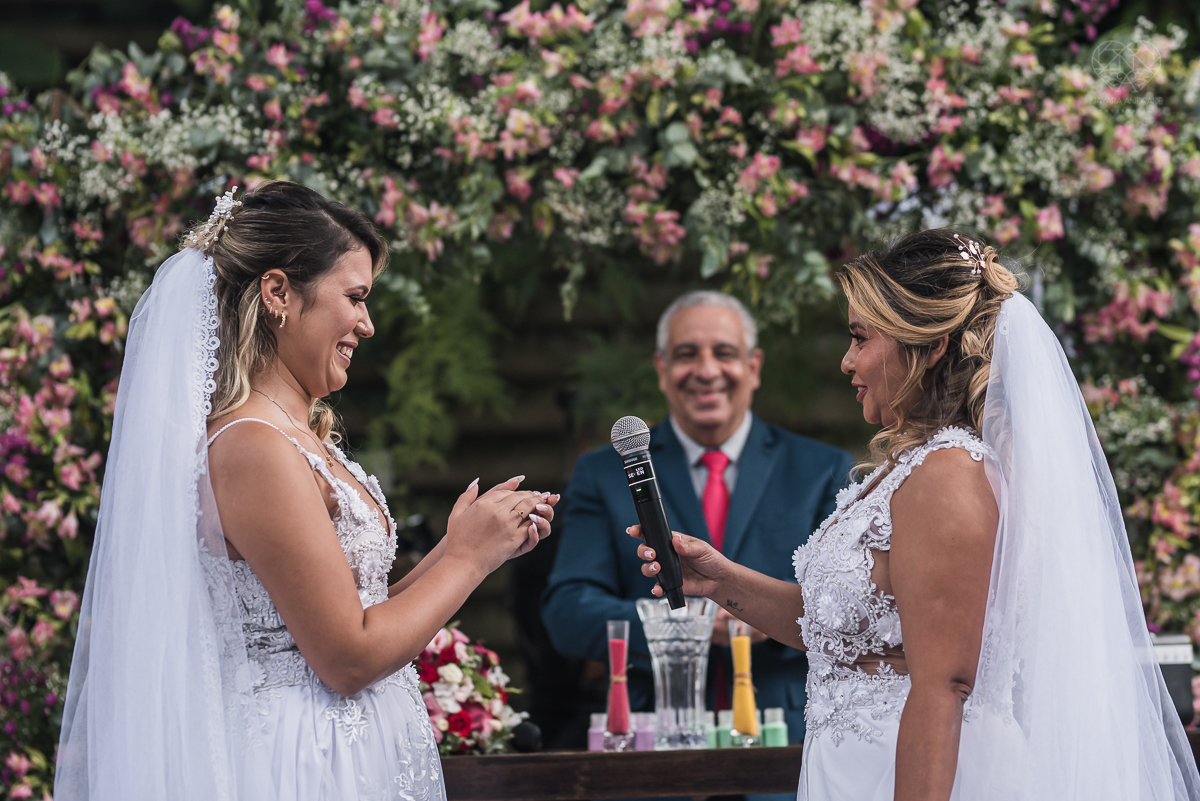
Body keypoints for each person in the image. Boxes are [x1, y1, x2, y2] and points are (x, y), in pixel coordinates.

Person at [635, 229, 1200, 800]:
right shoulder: (911, 467)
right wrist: (721, 579)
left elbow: (944, 684)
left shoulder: (950, 474)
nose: (846, 360)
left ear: (927, 346)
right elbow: (847, 629)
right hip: (852, 770)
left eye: (860, 338)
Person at [54, 181, 558, 801]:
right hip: (302, 762)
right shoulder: (252, 446)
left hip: (350, 749)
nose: (367, 325)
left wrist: (468, 543)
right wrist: (468, 557)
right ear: (277, 293)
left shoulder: (299, 437)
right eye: (355, 297)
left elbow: (355, 614)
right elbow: (347, 658)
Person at [542, 290, 855, 764]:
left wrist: (765, 615)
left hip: (790, 743)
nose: (706, 370)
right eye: (687, 354)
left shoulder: (821, 469)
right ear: (662, 369)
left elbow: (845, 611)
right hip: (652, 748)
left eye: (724, 353)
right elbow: (568, 611)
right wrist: (684, 624)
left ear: (753, 366)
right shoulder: (603, 473)